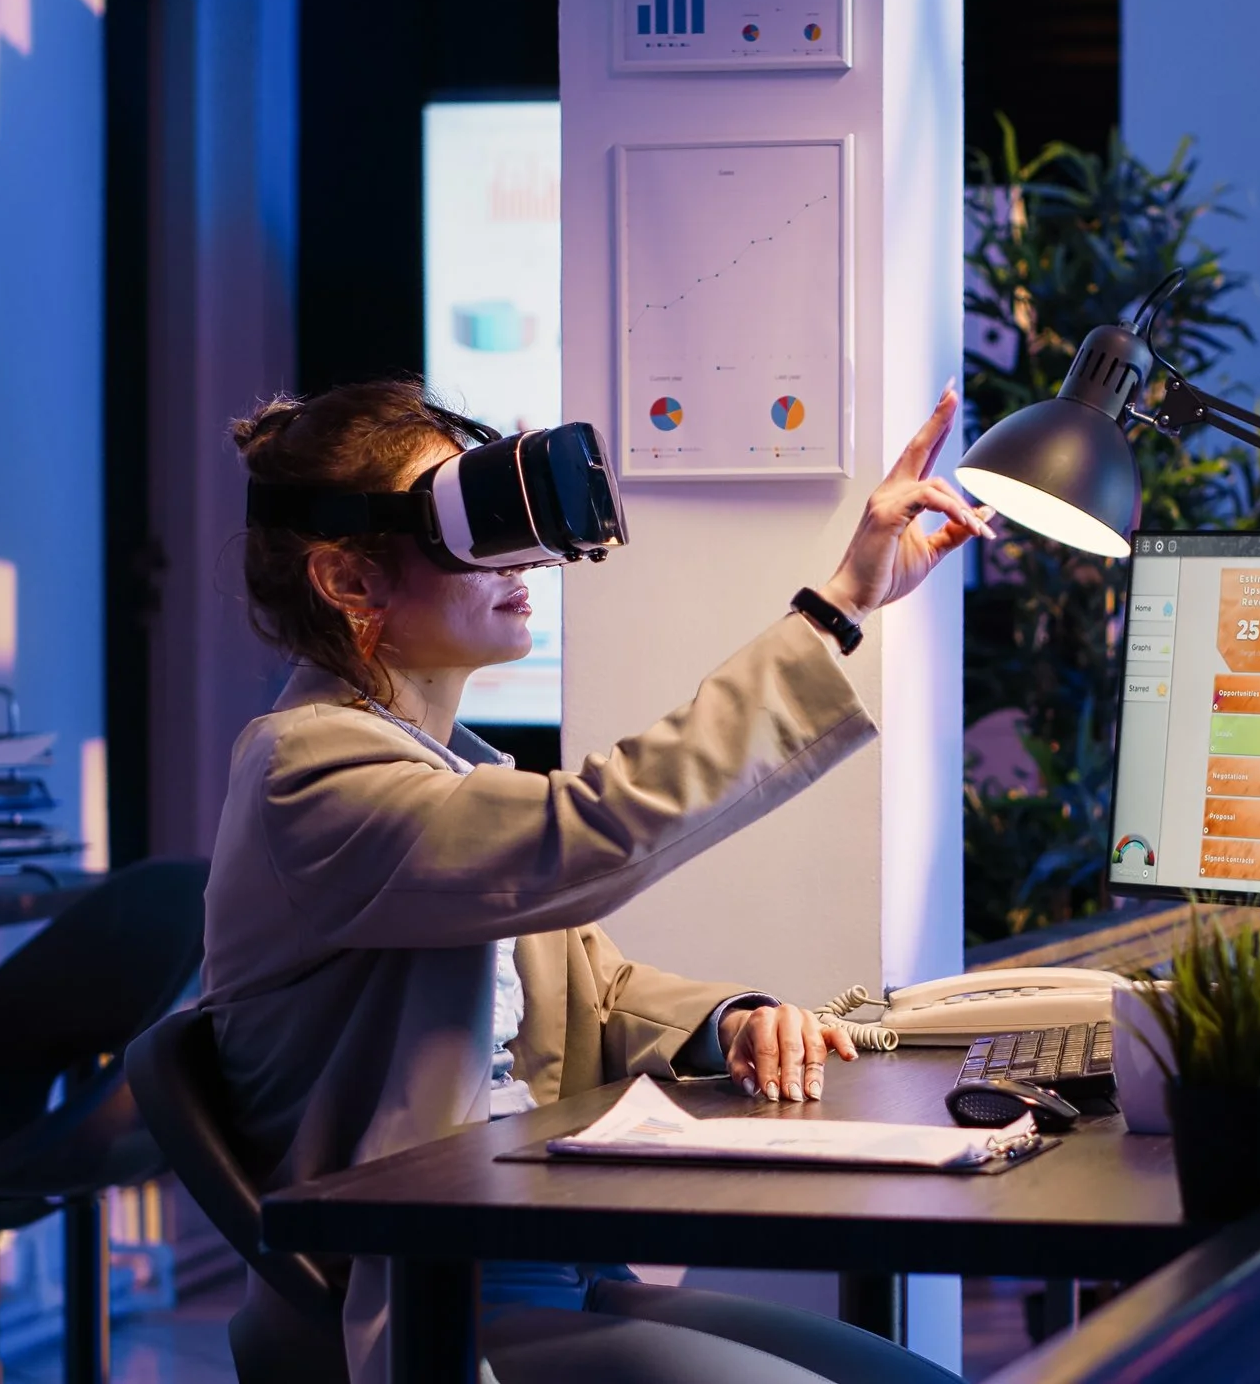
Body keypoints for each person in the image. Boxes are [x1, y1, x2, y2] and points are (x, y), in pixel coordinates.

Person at [200, 375, 994, 1384]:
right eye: (470, 524)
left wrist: (734, 1020)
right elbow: (599, 830)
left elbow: (592, 987)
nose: (524, 556)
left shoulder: (453, 769)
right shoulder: (306, 777)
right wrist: (835, 606)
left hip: (551, 1258)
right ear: (350, 584)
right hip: (443, 1299)